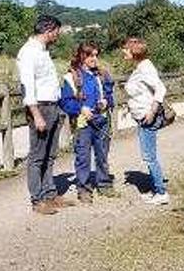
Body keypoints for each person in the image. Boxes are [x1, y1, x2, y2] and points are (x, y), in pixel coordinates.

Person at [16, 15, 75, 215]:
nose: (58, 35)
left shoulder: (43, 51)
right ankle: (37, 199)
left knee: (50, 155)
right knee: (37, 156)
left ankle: (50, 194)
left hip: (52, 106)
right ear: (48, 30)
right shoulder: (28, 52)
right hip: (40, 108)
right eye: (57, 31)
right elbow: (27, 86)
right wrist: (36, 114)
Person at [59, 42, 118, 204]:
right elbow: (65, 102)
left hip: (102, 120)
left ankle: (104, 184)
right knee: (83, 156)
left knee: (102, 154)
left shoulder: (102, 75)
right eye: (91, 55)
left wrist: (107, 101)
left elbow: (110, 95)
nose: (95, 59)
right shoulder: (71, 77)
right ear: (82, 56)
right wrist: (80, 109)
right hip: (82, 123)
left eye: (96, 55)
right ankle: (84, 189)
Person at [123, 37, 170, 205]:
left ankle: (161, 192)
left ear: (134, 52)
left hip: (147, 118)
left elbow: (161, 88)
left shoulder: (145, 68)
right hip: (142, 116)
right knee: (149, 154)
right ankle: (155, 188)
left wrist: (152, 110)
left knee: (149, 156)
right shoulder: (141, 67)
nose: (124, 52)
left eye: (126, 49)